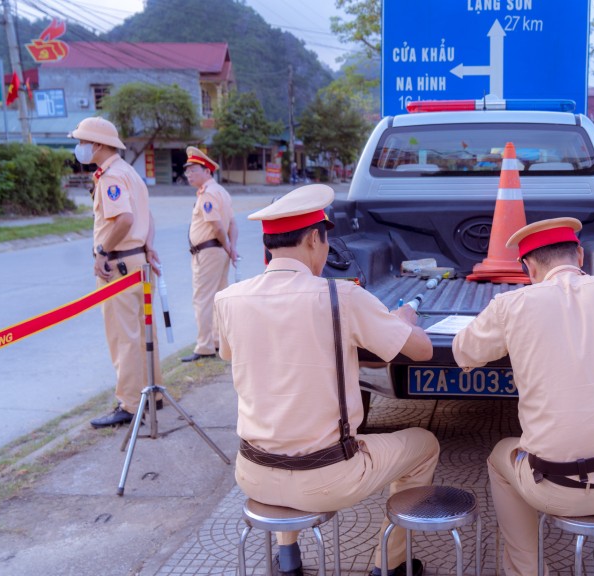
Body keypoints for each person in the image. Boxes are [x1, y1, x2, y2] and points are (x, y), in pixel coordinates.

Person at [213, 184, 440, 576]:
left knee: (284, 422)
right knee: (425, 444)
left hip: (253, 474)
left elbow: (230, 354)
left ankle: (289, 562)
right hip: (328, 478)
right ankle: (392, 564)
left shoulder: (228, 299)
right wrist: (401, 320)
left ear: (268, 244)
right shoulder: (341, 297)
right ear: (316, 239)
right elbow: (422, 351)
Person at [452, 218, 594, 576]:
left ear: (528, 267)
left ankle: (527, 571)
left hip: (553, 487)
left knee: (500, 458)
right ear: (579, 255)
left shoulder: (510, 305)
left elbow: (463, 353)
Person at [69, 116, 164, 429]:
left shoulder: (111, 177)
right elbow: (147, 217)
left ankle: (130, 403)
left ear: (97, 144)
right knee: (143, 335)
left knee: (124, 338)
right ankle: (153, 396)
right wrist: (148, 247)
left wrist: (102, 251)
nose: (79, 147)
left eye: (82, 141)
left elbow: (123, 219)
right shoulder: (130, 173)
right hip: (137, 263)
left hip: (118, 267)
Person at [180, 147, 238, 362]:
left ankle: (205, 345)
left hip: (209, 251)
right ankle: (216, 341)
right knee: (217, 298)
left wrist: (228, 245)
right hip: (218, 250)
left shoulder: (209, 193)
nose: (189, 175)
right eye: (187, 171)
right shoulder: (221, 191)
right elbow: (232, 224)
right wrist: (231, 247)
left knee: (203, 299)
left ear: (207, 171)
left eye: (193, 170)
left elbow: (217, 225)